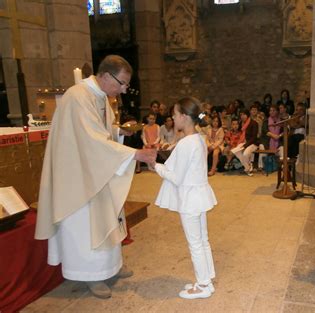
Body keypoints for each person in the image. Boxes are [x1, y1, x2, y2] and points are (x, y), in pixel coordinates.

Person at [34, 55, 156, 299]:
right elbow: (91, 141)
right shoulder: (78, 97)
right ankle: (90, 275)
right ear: (105, 75)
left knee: (107, 218)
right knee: (86, 225)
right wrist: (135, 154)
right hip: (78, 176)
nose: (122, 90)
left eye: (125, 85)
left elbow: (101, 133)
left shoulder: (100, 97)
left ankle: (110, 267)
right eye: (121, 83)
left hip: (97, 169)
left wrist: (117, 131)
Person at [152, 97, 217, 299]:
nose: (172, 116)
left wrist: (155, 166)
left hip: (190, 198)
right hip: (199, 195)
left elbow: (177, 178)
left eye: (175, 113)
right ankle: (207, 279)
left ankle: (203, 285)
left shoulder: (186, 143)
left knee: (195, 243)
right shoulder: (198, 138)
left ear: (184, 117)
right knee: (203, 240)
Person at [233, 109, 259, 176]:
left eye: (244, 114)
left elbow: (254, 137)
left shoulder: (254, 123)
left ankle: (248, 168)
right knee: (235, 151)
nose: (242, 116)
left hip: (253, 143)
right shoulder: (241, 124)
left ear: (247, 115)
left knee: (245, 154)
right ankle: (248, 167)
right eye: (241, 115)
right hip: (244, 142)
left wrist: (246, 145)